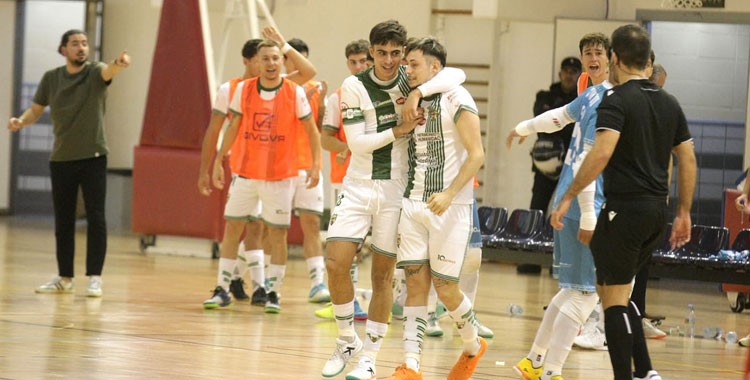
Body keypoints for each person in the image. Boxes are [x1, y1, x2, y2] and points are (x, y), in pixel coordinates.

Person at [321, 20, 466, 380]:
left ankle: (369, 356)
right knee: (336, 261)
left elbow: (456, 74)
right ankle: (345, 340)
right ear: (370, 52)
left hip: (395, 189)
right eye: (381, 53)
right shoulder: (353, 86)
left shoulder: (410, 79)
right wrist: (399, 129)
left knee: (383, 275)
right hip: (357, 185)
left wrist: (416, 94)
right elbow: (356, 143)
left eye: (395, 53)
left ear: (403, 55)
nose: (388, 60)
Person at [550, 24, 696, 380]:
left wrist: (569, 195)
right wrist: (684, 212)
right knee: (620, 293)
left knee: (612, 299)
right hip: (654, 215)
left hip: (623, 212)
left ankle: (624, 376)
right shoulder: (669, 102)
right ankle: (646, 371)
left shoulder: (616, 100)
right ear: (647, 60)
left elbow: (600, 154)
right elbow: (688, 159)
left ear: (615, 57)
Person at [507, 33, 612, 380]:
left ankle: (535, 360)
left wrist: (524, 126)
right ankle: (551, 371)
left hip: (569, 197)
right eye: (588, 53)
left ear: (610, 58)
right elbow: (586, 155)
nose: (593, 58)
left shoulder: (589, 95)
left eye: (598, 52)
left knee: (571, 290)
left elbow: (556, 118)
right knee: (585, 296)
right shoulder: (608, 100)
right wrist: (590, 212)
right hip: (584, 199)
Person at [386, 37, 487, 380]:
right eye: (407, 64)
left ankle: (472, 346)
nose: (407, 70)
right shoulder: (413, 91)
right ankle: (411, 365)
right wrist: (414, 92)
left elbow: (477, 155)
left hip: (450, 205)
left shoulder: (458, 97)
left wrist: (449, 193)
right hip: (413, 202)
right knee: (414, 285)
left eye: (414, 64)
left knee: (445, 290)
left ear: (434, 68)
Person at [8, 29, 130, 297]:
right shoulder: (52, 78)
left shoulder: (95, 72)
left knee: (96, 217)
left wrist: (118, 64)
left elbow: (108, 71)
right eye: (75, 44)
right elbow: (36, 109)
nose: (81, 48)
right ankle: (65, 278)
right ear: (63, 50)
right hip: (62, 159)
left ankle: (95, 278)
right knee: (64, 221)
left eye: (85, 44)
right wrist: (21, 120)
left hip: (93, 157)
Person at [209, 27, 321, 314]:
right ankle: (222, 288)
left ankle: (273, 292)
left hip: (280, 176)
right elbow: (232, 126)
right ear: (256, 62)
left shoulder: (294, 91)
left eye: (275, 58)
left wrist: (316, 164)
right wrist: (220, 160)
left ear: (282, 62)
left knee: (277, 234)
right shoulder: (243, 90)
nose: (271, 63)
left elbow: (311, 131)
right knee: (232, 228)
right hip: (245, 173)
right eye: (265, 59)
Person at [198, 39, 268, 307]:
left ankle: (245, 280)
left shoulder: (278, 86)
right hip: (241, 167)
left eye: (269, 58)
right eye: (260, 59)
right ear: (248, 61)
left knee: (261, 229)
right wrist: (206, 168)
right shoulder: (230, 89)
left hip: (272, 168)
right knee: (243, 226)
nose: (265, 64)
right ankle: (229, 285)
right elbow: (214, 130)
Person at [315, 39, 373, 321]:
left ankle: (397, 303)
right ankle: (347, 302)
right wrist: (348, 147)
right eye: (354, 62)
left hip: (382, 180)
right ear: (347, 64)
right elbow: (326, 139)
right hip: (346, 182)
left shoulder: (385, 93)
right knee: (348, 245)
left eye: (364, 61)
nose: (360, 66)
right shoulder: (337, 98)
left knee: (386, 245)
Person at [284, 37, 331, 303]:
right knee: (270, 228)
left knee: (312, 224)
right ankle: (257, 279)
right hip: (281, 167)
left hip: (310, 166)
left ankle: (317, 283)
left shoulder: (315, 88)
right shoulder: (279, 86)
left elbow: (321, 129)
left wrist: (321, 104)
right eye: (294, 59)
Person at [528, 57, 581, 214]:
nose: (569, 75)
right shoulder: (544, 96)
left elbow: (575, 129)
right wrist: (565, 122)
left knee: (566, 210)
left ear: (579, 75)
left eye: (573, 72)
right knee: (537, 207)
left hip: (571, 164)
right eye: (566, 71)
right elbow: (540, 122)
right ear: (560, 73)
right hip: (545, 163)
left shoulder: (582, 99)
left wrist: (552, 121)